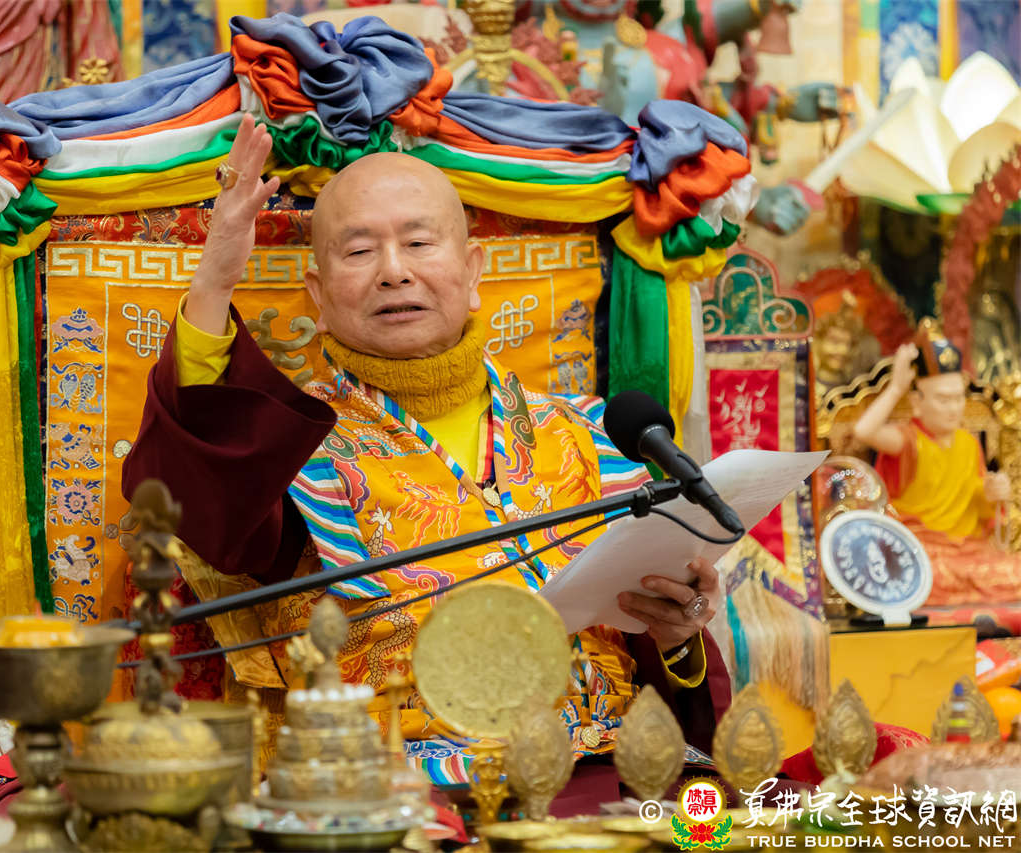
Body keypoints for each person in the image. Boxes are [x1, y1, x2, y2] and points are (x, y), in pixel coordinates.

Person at [121, 115, 730, 801]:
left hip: (602, 776)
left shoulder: (586, 433)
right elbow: (192, 492)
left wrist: (678, 636)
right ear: (317, 294)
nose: (394, 271)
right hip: (402, 794)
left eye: (418, 242)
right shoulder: (290, 449)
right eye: (359, 251)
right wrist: (214, 282)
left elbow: (661, 666)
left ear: (472, 272)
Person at [854, 319, 1021, 604]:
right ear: (917, 403)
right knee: (923, 575)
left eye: (958, 399)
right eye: (944, 400)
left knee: (1013, 572)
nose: (954, 409)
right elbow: (863, 431)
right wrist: (896, 388)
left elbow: (978, 502)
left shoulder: (968, 443)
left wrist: (992, 494)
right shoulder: (908, 440)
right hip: (921, 549)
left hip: (969, 550)